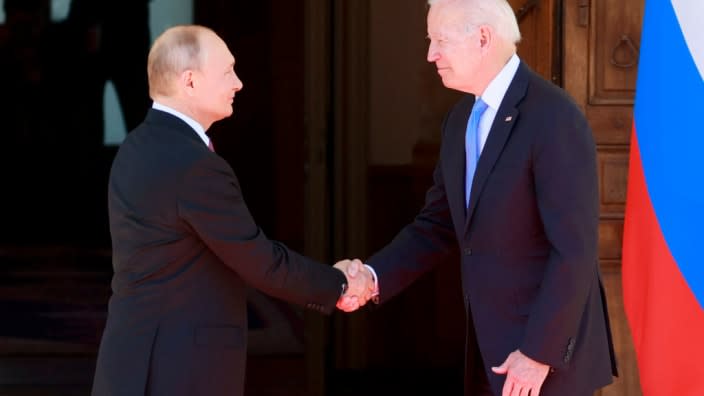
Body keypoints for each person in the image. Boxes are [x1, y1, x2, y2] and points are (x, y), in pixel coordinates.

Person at [338, 0, 618, 395]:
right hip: (488, 356)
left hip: (544, 364)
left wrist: (538, 353)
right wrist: (371, 276)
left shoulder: (553, 116)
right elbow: (437, 224)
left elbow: (573, 250)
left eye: (440, 41)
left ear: (483, 38)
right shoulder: (460, 120)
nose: (430, 54)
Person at [91, 25, 375, 396]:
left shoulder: (135, 146)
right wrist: (339, 283)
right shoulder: (194, 165)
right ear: (189, 81)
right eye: (227, 71)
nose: (239, 83)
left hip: (130, 360)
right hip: (177, 371)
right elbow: (260, 261)